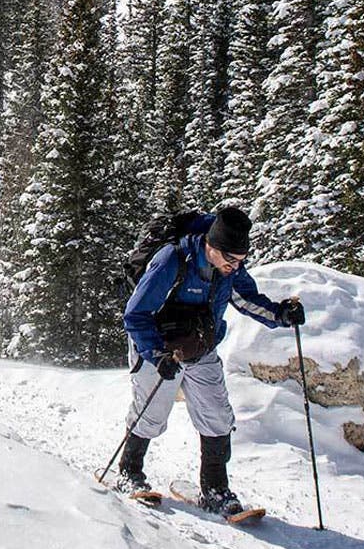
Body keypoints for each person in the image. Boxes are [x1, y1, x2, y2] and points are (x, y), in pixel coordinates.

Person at [117, 205, 305, 515]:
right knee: (151, 412)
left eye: (241, 261)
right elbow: (135, 314)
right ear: (210, 246)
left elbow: (247, 299)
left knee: (217, 415)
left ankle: (215, 489)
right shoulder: (171, 260)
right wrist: (156, 353)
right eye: (230, 260)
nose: (235, 267)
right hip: (158, 347)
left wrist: (281, 314)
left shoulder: (229, 269)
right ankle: (129, 471)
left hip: (202, 347)